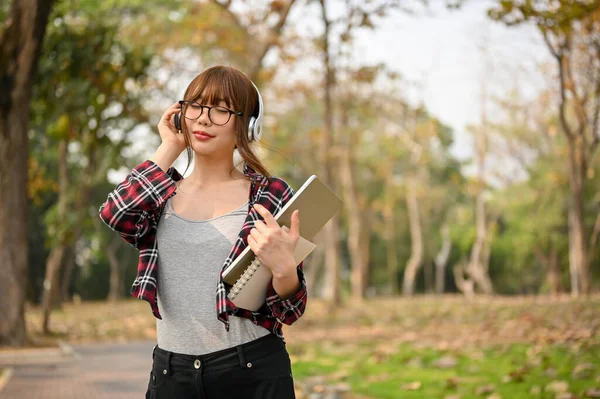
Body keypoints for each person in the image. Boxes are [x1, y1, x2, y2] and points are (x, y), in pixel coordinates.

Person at [98, 65, 307, 399]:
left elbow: (291, 310)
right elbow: (115, 213)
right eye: (194, 106)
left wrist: (284, 269)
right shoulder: (160, 194)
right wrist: (169, 147)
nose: (204, 119)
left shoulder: (271, 195)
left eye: (221, 110)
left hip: (252, 373)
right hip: (171, 376)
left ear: (248, 125)